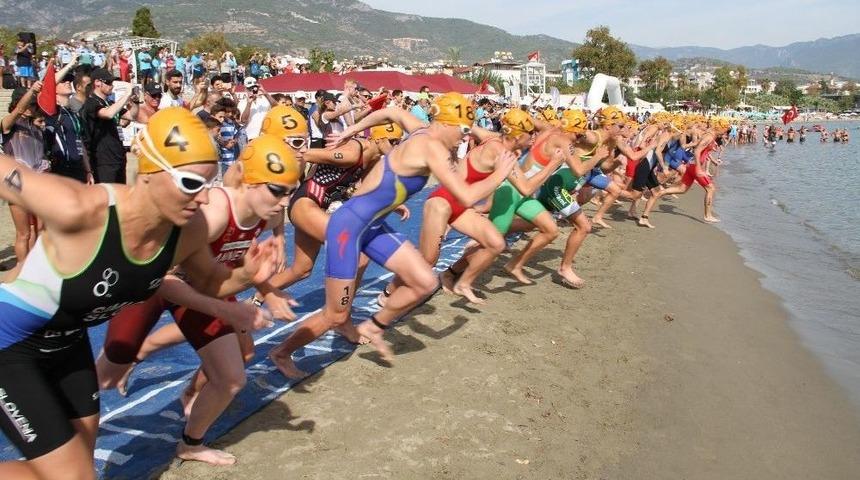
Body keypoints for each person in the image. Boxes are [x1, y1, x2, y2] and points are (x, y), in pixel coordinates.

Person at [0, 107, 278, 480]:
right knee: (70, 476)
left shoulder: (189, 229)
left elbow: (211, 282)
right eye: (190, 183)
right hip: (10, 344)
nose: (202, 198)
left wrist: (246, 274)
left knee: (81, 467)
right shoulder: (79, 208)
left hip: (68, 345)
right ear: (148, 173)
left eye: (207, 184)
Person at [95, 132, 300, 465]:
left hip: (199, 284)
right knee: (106, 376)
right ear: (248, 182)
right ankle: (62, 416)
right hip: (151, 284)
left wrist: (266, 289)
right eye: (278, 190)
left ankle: (190, 444)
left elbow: (225, 267)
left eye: (291, 191)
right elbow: (164, 280)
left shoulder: (266, 209)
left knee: (231, 378)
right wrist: (233, 303)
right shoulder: (214, 213)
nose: (285, 202)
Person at [291, 94, 517, 365]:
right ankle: (281, 353)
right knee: (335, 315)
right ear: (447, 124)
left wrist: (350, 129)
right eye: (463, 130)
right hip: (348, 228)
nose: (464, 138)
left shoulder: (421, 129)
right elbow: (466, 196)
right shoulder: (432, 147)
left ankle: (374, 326)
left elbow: (392, 112)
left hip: (372, 226)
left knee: (425, 281)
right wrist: (500, 173)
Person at [1, 83, 50, 279]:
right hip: (16, 183)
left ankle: (32, 268)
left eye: (34, 104)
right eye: (29, 103)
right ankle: (21, 271)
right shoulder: (8, 124)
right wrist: (32, 91)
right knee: (24, 233)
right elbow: (20, 110)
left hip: (37, 182)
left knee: (37, 228)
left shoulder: (36, 126)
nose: (31, 107)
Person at [81, 68, 139, 184]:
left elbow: (131, 116)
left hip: (118, 158)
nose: (111, 86)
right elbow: (108, 114)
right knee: (108, 193)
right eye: (108, 82)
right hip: (103, 161)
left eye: (112, 83)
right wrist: (126, 95)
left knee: (120, 193)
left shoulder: (109, 103)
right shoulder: (91, 102)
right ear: (97, 83)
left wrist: (135, 102)